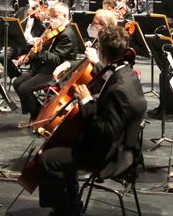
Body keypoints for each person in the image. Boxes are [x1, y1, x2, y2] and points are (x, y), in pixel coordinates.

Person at [36, 25, 147, 215]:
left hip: (109, 156)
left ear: (102, 52)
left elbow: (104, 132)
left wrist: (87, 101)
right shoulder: (126, 73)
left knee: (48, 158)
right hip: (123, 148)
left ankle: (65, 211)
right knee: (62, 147)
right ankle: (72, 204)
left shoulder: (119, 88)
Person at [13, 3, 79, 121]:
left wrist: (41, 48)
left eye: (54, 16)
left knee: (24, 88)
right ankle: (37, 110)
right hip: (43, 67)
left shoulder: (67, 35)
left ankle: (36, 115)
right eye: (50, 17)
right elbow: (40, 53)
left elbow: (57, 60)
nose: (50, 20)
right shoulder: (54, 30)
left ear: (64, 16)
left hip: (55, 71)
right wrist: (29, 57)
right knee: (17, 82)